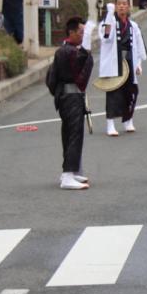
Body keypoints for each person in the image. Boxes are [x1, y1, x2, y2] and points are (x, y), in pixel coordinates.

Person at [49, 16, 95, 190]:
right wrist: (87, 47)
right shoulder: (66, 51)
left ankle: (69, 171)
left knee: (70, 134)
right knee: (73, 135)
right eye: (81, 32)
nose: (83, 35)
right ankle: (68, 174)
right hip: (70, 97)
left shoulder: (66, 49)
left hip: (69, 97)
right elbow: (81, 62)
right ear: (72, 32)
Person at [99, 0, 147, 137]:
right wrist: (108, 14)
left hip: (129, 61)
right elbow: (106, 37)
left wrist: (139, 64)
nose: (121, 6)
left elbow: (138, 46)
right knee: (114, 93)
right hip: (115, 63)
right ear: (115, 6)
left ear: (129, 6)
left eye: (124, 4)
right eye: (119, 4)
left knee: (131, 92)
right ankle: (110, 124)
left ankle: (128, 120)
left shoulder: (133, 26)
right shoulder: (111, 22)